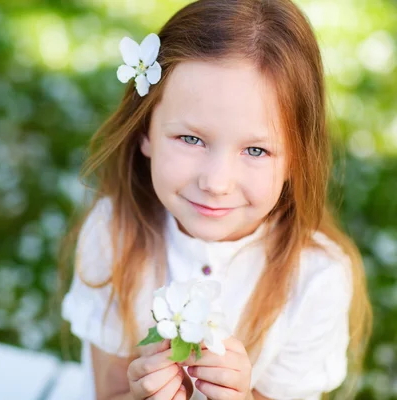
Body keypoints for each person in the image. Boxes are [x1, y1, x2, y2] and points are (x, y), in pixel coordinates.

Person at [59, 0, 373, 399]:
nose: (216, 182)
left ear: (296, 159)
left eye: (256, 151)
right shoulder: (113, 235)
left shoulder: (316, 279)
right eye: (191, 139)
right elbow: (108, 391)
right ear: (145, 131)